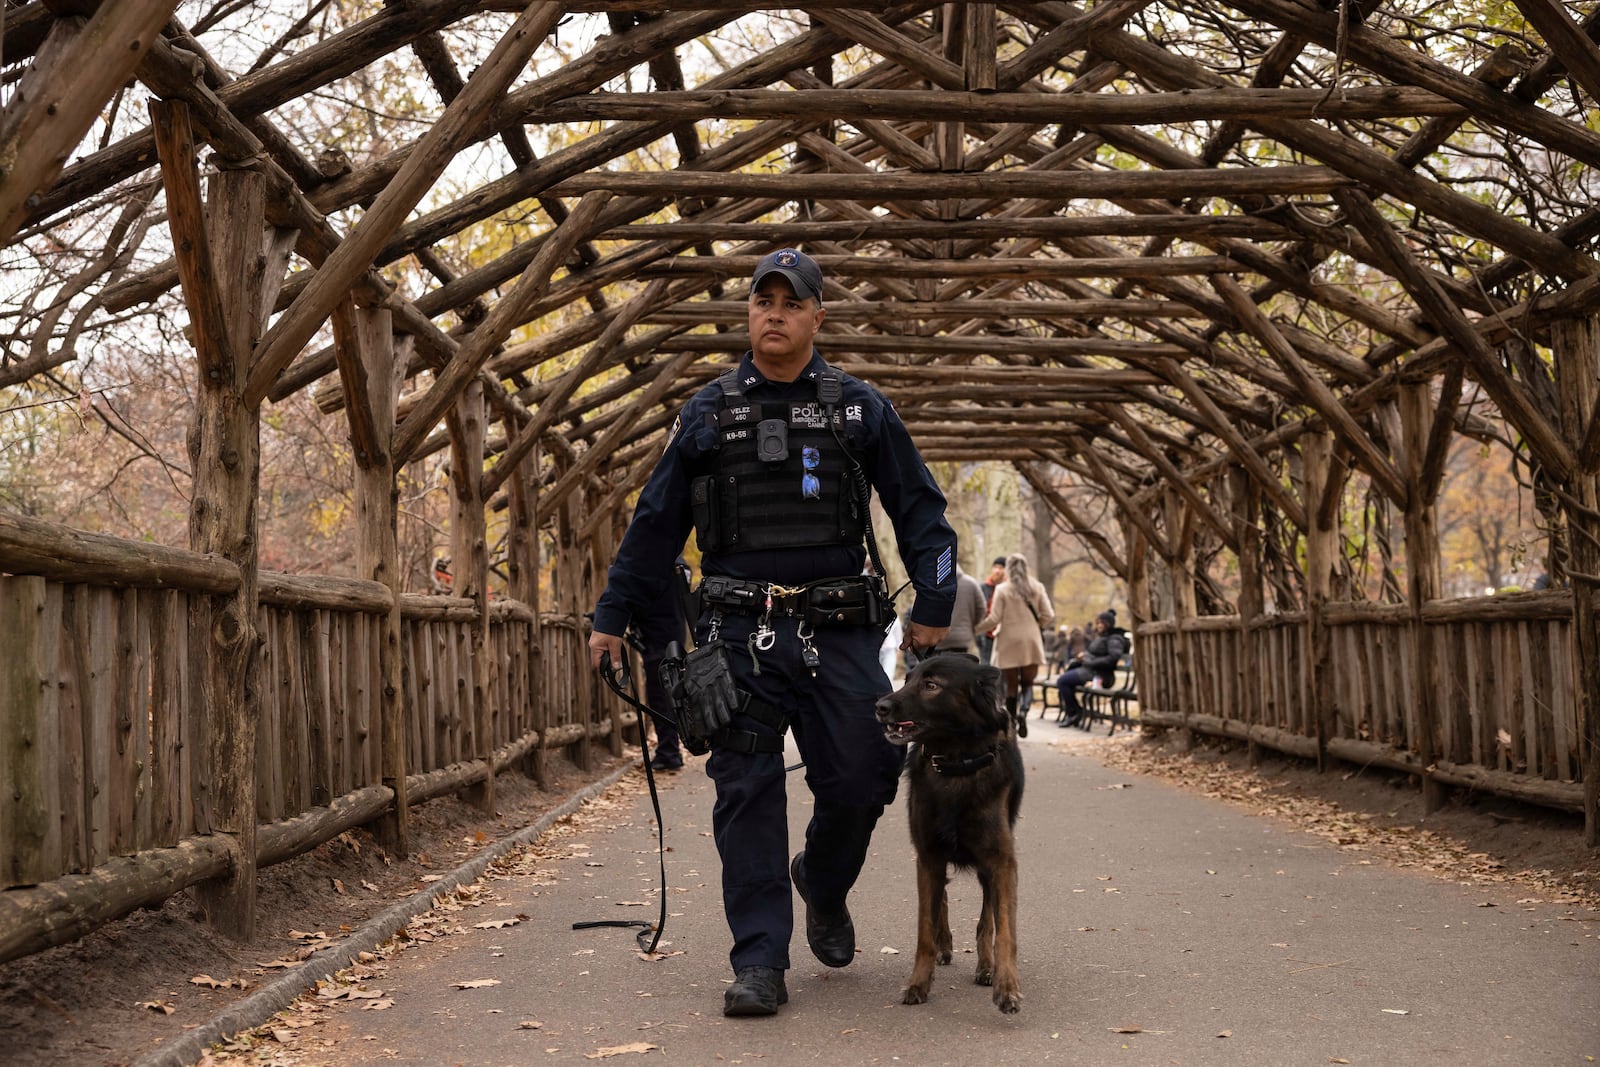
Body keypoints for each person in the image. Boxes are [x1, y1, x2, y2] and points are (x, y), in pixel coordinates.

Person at [587, 248, 956, 1018]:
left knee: (863, 775)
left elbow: (920, 508)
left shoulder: (860, 409)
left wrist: (935, 598)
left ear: (819, 316)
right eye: (764, 300)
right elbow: (654, 526)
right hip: (736, 634)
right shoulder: (707, 413)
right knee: (746, 790)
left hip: (841, 630)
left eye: (793, 301)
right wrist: (612, 616)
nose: (776, 312)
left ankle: (822, 881)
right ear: (748, 313)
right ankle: (759, 960)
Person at [975, 554, 1054, 738]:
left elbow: (994, 618)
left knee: (1011, 686)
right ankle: (1024, 713)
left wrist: (975, 629)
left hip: (1008, 641)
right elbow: (1048, 614)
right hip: (1031, 641)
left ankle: (1010, 725)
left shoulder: (1002, 589)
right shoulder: (1037, 587)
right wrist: (1037, 625)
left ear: (1008, 569)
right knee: (1027, 684)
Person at [637, 557, 693, 771]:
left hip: (659, 637)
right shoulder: (681, 565)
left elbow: (643, 598)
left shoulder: (658, 563)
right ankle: (670, 750)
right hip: (674, 635)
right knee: (671, 696)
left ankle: (669, 752)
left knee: (661, 699)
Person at [1056, 609, 1130, 729]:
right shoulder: (1102, 637)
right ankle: (1074, 712)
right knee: (1065, 680)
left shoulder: (1114, 638)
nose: (1098, 625)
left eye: (1101, 623)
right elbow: (1096, 653)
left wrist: (1090, 661)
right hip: (1090, 670)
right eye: (1097, 623)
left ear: (1108, 624)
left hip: (1100, 675)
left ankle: (1075, 712)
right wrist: (1084, 656)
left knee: (1063, 681)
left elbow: (1113, 658)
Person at [933, 563, 988, 657]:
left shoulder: (932, 585)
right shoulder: (971, 583)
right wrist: (971, 624)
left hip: (938, 638)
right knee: (962, 669)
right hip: (963, 638)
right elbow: (982, 608)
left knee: (941, 670)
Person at [975, 556, 1006, 664]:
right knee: (986, 665)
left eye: (1001, 567)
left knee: (1003, 668)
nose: (997, 570)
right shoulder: (983, 587)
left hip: (1003, 635)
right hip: (986, 635)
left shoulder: (1008, 589)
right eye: (995, 567)